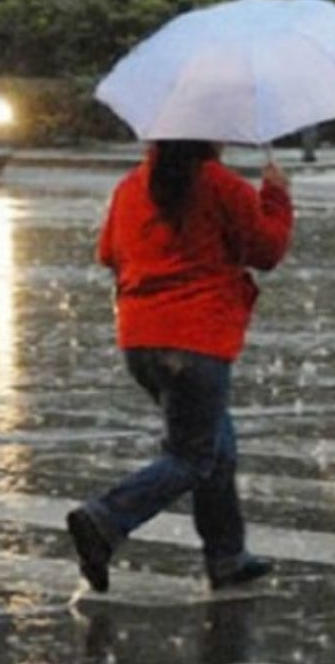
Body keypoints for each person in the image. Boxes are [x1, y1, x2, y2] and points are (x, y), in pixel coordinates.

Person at [66, 140, 294, 592]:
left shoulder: (131, 186)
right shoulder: (220, 186)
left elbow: (108, 253)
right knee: (192, 455)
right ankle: (107, 517)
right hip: (196, 339)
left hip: (140, 340)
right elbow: (266, 251)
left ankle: (227, 555)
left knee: (216, 446)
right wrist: (276, 196)